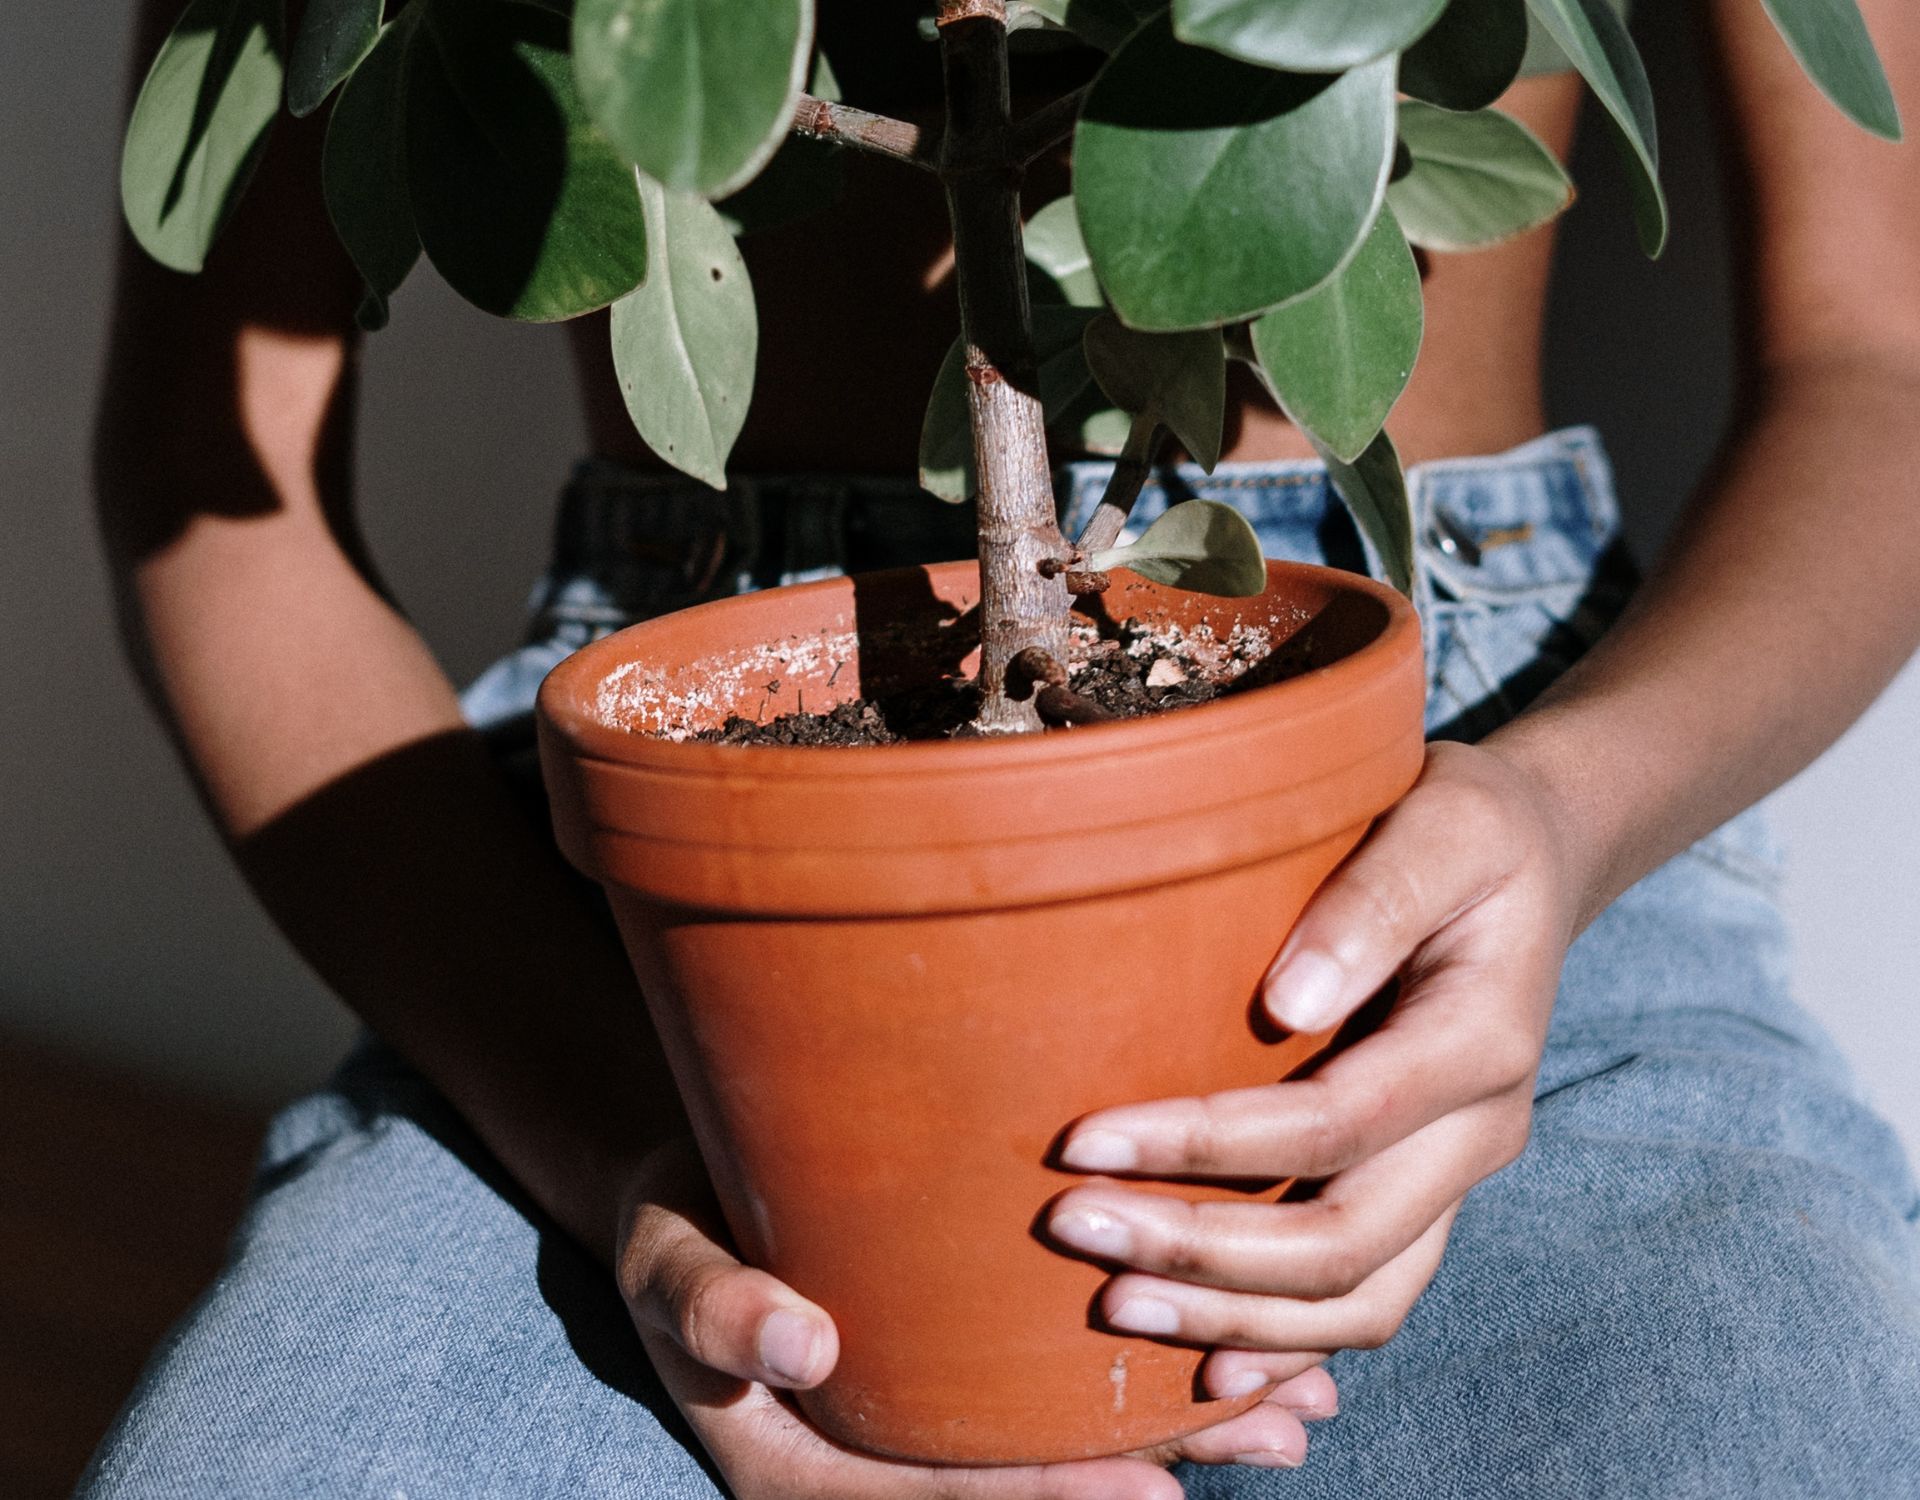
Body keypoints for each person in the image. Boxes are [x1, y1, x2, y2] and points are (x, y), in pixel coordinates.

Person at [80, 1, 1920, 1496]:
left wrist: (1564, 814)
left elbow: (1881, 367)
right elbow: (213, 480)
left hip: (1498, 817)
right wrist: (631, 1147)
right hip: (667, 924)